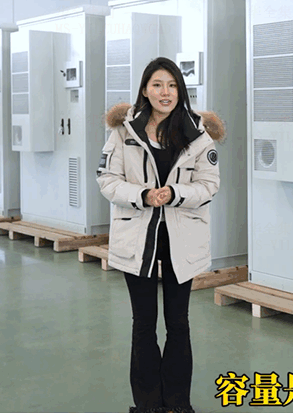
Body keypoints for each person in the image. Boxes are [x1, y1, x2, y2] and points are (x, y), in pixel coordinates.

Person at [97, 57, 225, 413]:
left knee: (178, 323)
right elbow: (107, 180)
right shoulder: (124, 132)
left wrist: (175, 194)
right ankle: (147, 405)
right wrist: (142, 195)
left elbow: (209, 184)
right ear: (145, 90)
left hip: (181, 240)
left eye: (171, 85)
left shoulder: (197, 133)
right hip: (138, 238)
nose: (165, 92)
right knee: (143, 324)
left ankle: (178, 404)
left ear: (180, 91)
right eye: (157, 85)